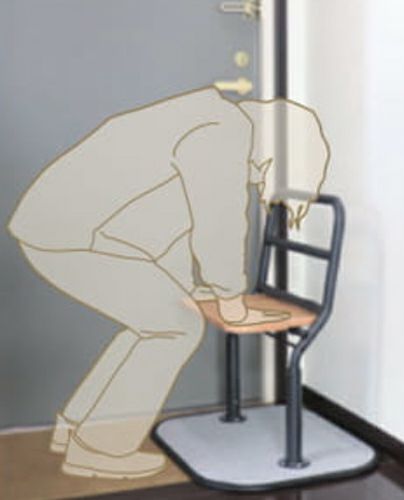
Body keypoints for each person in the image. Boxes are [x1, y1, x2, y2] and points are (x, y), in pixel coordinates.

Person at [7, 86, 330, 479]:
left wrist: (195, 287)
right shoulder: (223, 130)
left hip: (60, 225)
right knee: (175, 328)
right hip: (68, 233)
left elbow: (173, 220)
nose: (256, 180)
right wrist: (230, 299)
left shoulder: (204, 116)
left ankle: (77, 428)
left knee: (155, 319)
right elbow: (219, 220)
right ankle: (99, 448)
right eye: (264, 174)